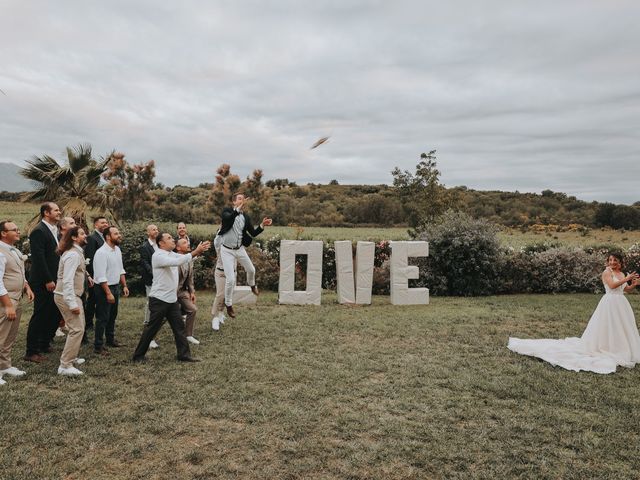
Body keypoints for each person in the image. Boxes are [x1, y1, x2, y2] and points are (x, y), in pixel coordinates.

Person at [508, 253, 640, 374]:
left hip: (621, 304)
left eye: (615, 260)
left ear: (621, 262)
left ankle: (619, 348)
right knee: (608, 327)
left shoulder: (622, 274)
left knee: (620, 327)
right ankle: (606, 347)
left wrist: (633, 284)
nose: (612, 262)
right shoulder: (607, 272)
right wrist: (627, 278)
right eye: (610, 260)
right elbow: (612, 286)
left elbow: (625, 289)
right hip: (609, 303)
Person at [132, 233, 210, 363]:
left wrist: (198, 251)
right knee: (151, 329)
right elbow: (178, 261)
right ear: (161, 243)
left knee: (179, 328)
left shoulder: (170, 253)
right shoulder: (158, 256)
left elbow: (184, 258)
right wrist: (196, 251)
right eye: (168, 238)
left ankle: (184, 355)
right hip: (159, 300)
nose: (172, 239)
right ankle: (138, 356)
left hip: (171, 300)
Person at [216, 193, 272, 318]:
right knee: (230, 280)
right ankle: (229, 305)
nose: (243, 201)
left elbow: (253, 232)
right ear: (234, 202)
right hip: (226, 250)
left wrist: (262, 225)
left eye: (243, 199)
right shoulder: (227, 211)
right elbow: (228, 219)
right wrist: (237, 209)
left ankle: (252, 285)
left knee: (251, 269)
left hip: (239, 249)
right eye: (240, 199)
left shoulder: (245, 217)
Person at [24, 202, 63, 363]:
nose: (59, 212)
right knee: (40, 315)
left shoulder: (55, 230)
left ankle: (44, 343)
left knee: (53, 313)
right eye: (56, 210)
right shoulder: (39, 231)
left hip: (55, 280)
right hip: (42, 281)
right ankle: (31, 351)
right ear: (46, 213)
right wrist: (48, 279)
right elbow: (39, 259)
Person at [0, 221, 34, 385]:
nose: (18, 231)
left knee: (11, 335)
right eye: (14, 230)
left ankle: (5, 366)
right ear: (3, 233)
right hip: (6, 300)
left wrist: (26, 286)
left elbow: (19, 271)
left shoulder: (14, 250)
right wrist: (7, 305)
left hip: (17, 296)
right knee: (1, 336)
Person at [53, 226, 88, 376]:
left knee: (79, 327)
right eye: (81, 233)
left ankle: (71, 358)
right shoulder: (73, 255)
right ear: (73, 237)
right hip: (67, 295)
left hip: (73, 294)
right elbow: (67, 280)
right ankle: (65, 366)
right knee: (76, 329)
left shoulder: (76, 252)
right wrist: (72, 303)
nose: (85, 235)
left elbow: (76, 273)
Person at [92, 226, 129, 355]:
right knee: (103, 317)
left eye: (119, 233)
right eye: (116, 233)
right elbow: (100, 276)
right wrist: (108, 293)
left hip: (115, 287)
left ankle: (110, 340)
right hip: (103, 288)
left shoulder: (117, 249)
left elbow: (120, 269)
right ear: (108, 236)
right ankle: (98, 346)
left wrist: (124, 285)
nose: (119, 235)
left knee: (112, 315)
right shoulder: (101, 253)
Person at [83, 216, 109, 343]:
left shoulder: (106, 238)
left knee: (98, 300)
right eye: (102, 222)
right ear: (95, 225)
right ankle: (88, 323)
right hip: (95, 276)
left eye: (106, 222)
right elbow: (90, 258)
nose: (105, 224)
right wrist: (92, 277)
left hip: (104, 275)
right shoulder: (92, 238)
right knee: (92, 300)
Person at [139, 224, 160, 349]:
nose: (156, 231)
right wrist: (155, 273)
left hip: (162, 281)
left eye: (157, 229)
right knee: (151, 305)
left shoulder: (160, 245)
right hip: (151, 280)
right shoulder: (145, 247)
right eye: (153, 229)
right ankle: (149, 336)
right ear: (148, 232)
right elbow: (145, 263)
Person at [175, 238, 199, 344]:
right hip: (170, 292)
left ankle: (188, 335)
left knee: (192, 309)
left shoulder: (189, 260)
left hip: (182, 292)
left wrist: (192, 292)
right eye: (185, 243)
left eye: (187, 242)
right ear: (178, 247)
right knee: (163, 317)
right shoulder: (174, 259)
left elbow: (190, 278)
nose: (188, 244)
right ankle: (151, 338)